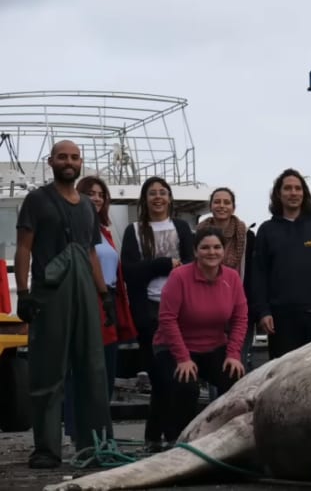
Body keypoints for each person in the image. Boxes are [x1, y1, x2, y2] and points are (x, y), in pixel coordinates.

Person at [14, 140, 115, 468]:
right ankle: (46, 449)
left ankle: (95, 445)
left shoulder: (88, 205)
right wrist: (24, 293)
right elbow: (24, 248)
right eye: (62, 157)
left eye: (74, 157)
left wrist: (104, 295)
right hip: (50, 292)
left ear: (80, 162)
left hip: (85, 291)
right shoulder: (36, 200)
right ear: (51, 161)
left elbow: (90, 253)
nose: (68, 162)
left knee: (93, 370)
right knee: (47, 371)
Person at [153, 226, 248, 441]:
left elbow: (240, 318)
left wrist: (233, 354)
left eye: (217, 247)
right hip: (173, 346)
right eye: (205, 248)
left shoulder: (232, 278)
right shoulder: (179, 277)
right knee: (187, 387)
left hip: (213, 345)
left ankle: (226, 438)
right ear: (195, 251)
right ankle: (178, 441)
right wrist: (183, 358)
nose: (211, 252)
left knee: (236, 381)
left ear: (223, 251)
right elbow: (167, 319)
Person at [121, 176, 194, 451]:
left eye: (163, 192)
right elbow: (130, 271)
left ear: (170, 198)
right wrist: (163, 264)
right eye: (152, 193)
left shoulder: (182, 227)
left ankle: (172, 436)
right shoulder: (134, 230)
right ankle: (156, 436)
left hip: (181, 310)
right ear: (145, 199)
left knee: (180, 377)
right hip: (149, 311)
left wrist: (161, 267)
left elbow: (191, 265)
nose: (158, 197)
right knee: (159, 376)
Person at [253, 169, 311, 359]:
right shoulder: (267, 230)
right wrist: (263, 312)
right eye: (287, 188)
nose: (293, 193)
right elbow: (259, 276)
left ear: (304, 193)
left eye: (297, 188)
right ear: (278, 194)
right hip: (280, 319)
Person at [76, 175, 139, 395]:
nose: (97, 198)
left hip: (108, 302)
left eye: (101, 195)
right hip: (87, 300)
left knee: (107, 367)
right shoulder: (75, 229)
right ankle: (83, 426)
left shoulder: (104, 231)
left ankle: (102, 425)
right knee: (88, 368)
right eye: (91, 193)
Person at [195, 188, 256, 370]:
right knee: (213, 365)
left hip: (239, 308)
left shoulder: (247, 236)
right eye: (217, 202)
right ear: (211, 206)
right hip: (207, 310)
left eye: (226, 202)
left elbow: (253, 274)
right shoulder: (198, 234)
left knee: (237, 362)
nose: (222, 206)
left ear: (233, 207)